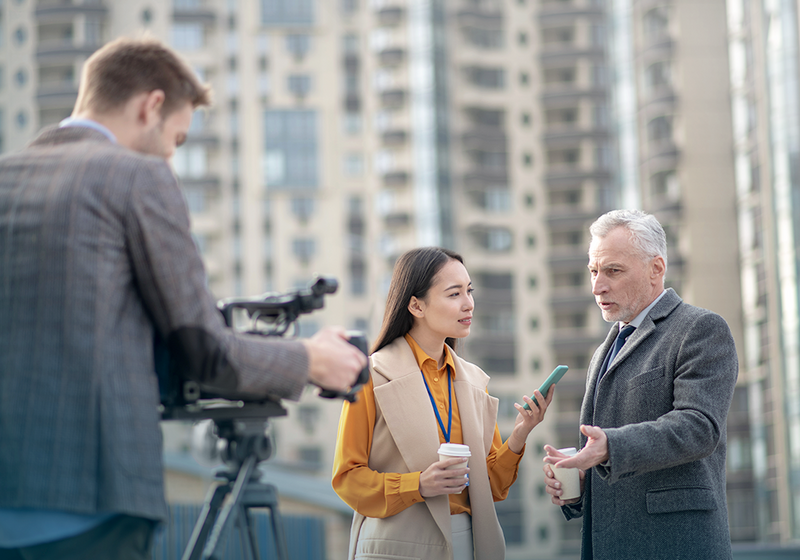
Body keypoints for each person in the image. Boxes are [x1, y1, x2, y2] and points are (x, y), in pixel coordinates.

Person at [0, 37, 366, 559]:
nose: (172, 154)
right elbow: (206, 351)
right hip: (94, 502)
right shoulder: (137, 176)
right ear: (151, 106)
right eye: (177, 137)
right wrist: (310, 358)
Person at [332, 247, 553, 560]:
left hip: (470, 544)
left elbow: (489, 488)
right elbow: (347, 478)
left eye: (469, 291)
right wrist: (418, 485)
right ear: (416, 306)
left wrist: (520, 435)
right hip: (395, 546)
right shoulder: (371, 375)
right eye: (454, 294)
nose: (468, 304)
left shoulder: (476, 382)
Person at [542, 209, 738, 559]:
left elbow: (699, 427)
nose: (597, 286)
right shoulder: (604, 350)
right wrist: (580, 486)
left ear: (656, 269)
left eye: (612, 271)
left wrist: (610, 448)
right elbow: (610, 459)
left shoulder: (700, 329)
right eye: (593, 271)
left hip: (675, 546)